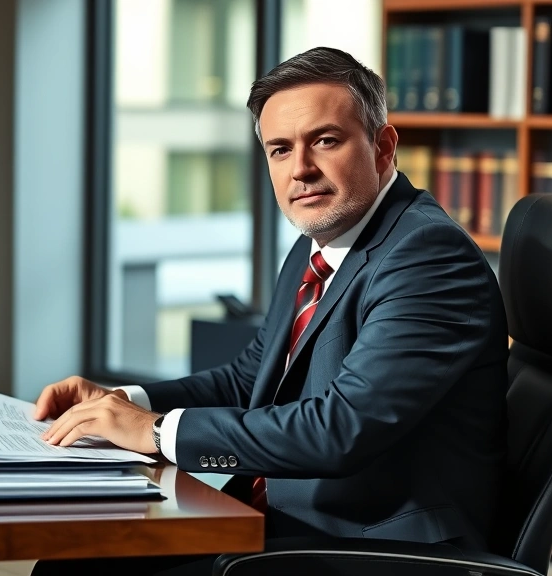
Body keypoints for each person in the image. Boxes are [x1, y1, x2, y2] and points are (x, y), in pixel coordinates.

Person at [31, 46, 509, 576]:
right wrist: (124, 403)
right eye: (280, 150)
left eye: (325, 141)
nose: (301, 169)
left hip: (372, 548)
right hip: (285, 523)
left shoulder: (426, 256)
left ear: (382, 145)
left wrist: (155, 431)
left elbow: (340, 429)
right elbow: (251, 376)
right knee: (73, 560)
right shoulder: (323, 241)